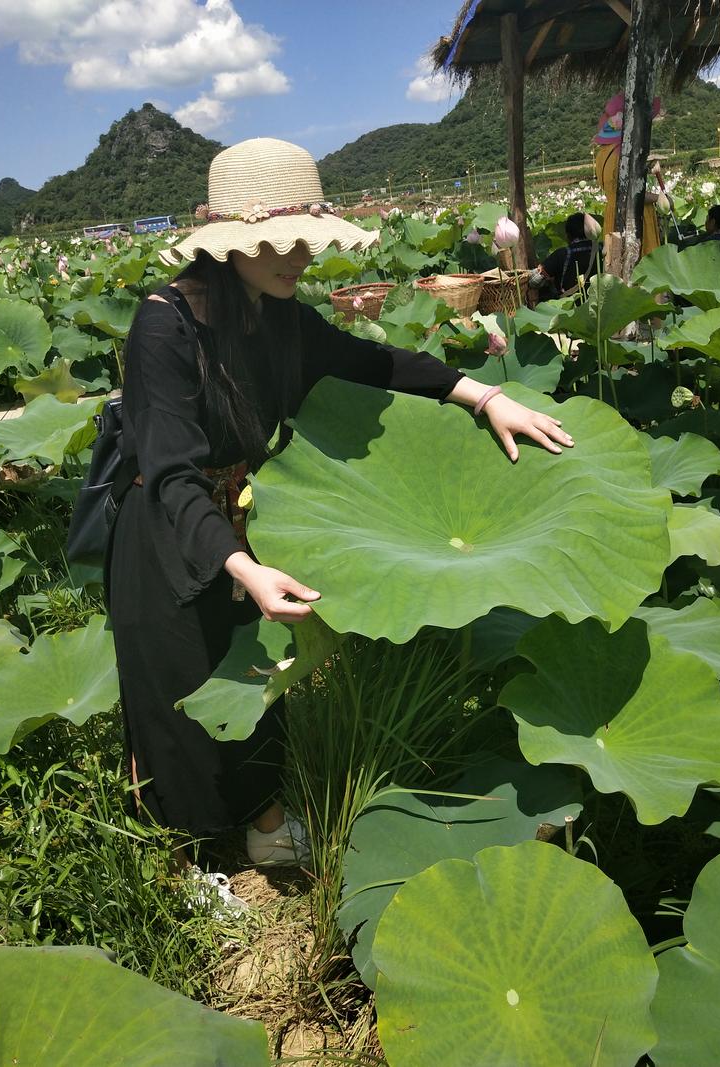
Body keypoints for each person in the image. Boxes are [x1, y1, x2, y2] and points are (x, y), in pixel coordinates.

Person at [106, 137, 574, 882]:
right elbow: (169, 477)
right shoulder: (167, 324)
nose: (297, 254)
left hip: (238, 521)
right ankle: (195, 865)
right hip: (166, 528)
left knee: (254, 675)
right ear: (231, 243)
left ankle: (263, 826)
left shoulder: (276, 311)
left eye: (305, 238)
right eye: (279, 238)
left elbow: (374, 363)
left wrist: (484, 394)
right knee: (181, 690)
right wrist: (239, 566)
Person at [594, 92, 664, 258]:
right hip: (634, 217)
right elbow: (631, 194)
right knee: (640, 271)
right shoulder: (626, 155)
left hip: (612, 214)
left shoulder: (602, 155)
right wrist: (659, 198)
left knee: (618, 269)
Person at [528, 213, 598, 301]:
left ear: (568, 234)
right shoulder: (602, 249)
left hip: (569, 308)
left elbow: (534, 282)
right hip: (597, 305)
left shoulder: (562, 254)